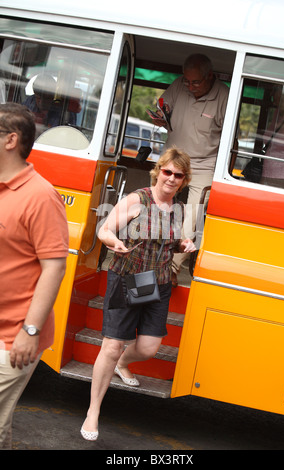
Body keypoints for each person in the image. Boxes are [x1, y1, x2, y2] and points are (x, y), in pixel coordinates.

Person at [80, 147, 196, 441]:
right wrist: (114, 243)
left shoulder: (179, 209)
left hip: (157, 283)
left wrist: (183, 246)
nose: (171, 178)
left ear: (183, 180)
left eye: (178, 175)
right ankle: (93, 412)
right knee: (111, 346)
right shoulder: (137, 200)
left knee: (148, 348)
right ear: (159, 171)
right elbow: (105, 230)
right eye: (167, 172)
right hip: (127, 278)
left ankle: (123, 363)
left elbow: (169, 242)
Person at [0, 103, 69, 449]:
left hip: (13, 337)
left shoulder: (41, 196)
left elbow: (54, 267)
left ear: (11, 140)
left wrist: (30, 331)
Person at [152, 54, 229, 287]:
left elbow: (230, 137)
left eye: (195, 82)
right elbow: (163, 108)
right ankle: (149, 258)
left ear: (210, 77)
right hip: (173, 159)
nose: (190, 86)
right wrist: (160, 117)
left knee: (194, 217)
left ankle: (171, 268)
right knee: (154, 207)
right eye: (187, 81)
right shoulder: (178, 85)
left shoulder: (224, 96)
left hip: (204, 165)